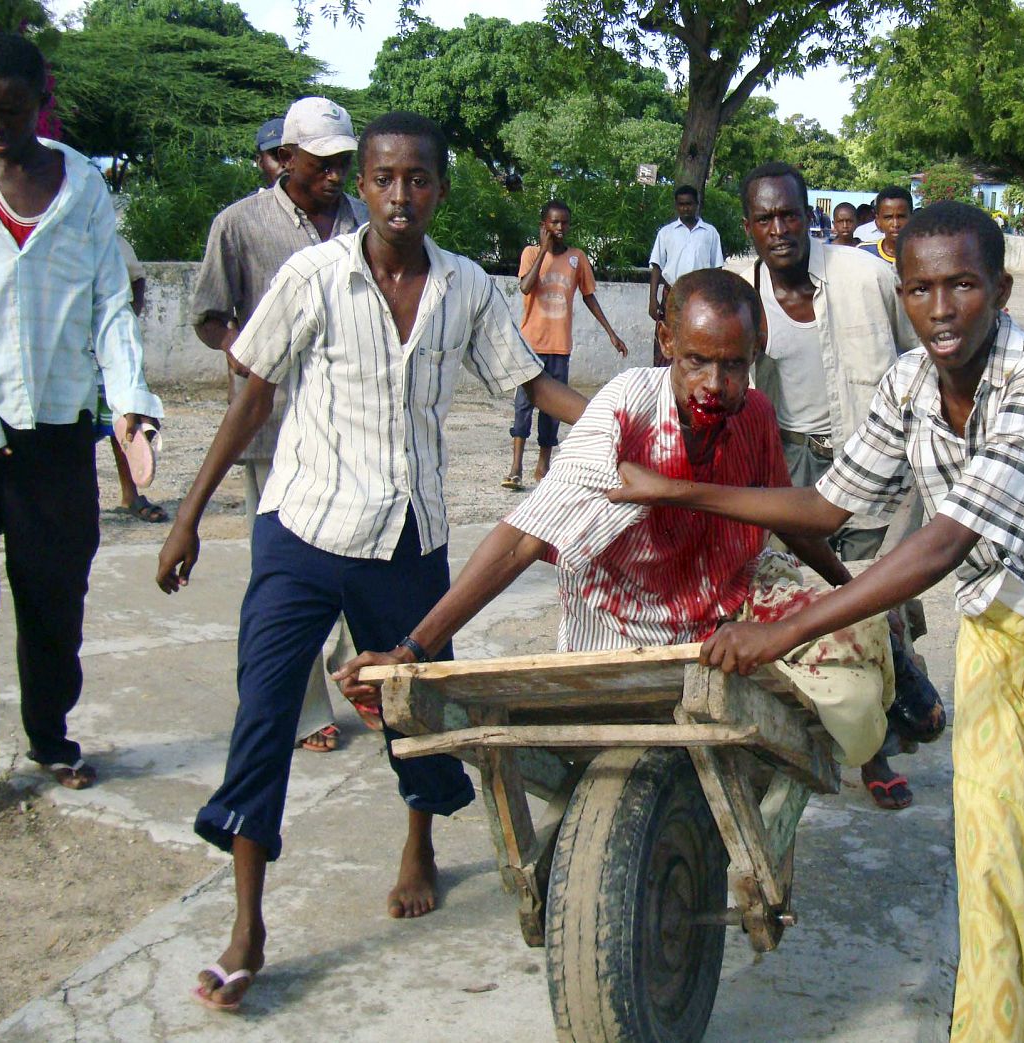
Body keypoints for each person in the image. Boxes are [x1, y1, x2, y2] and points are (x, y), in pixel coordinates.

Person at [610, 201, 1024, 1041]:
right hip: (1000, 634)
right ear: (899, 292)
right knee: (995, 863)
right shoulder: (910, 384)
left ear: (1001, 289)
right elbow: (828, 502)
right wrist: (675, 487)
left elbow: (944, 544)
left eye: (962, 285)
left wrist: (784, 628)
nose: (940, 309)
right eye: (919, 288)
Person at [155, 111, 587, 1013]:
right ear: (366, 182)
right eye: (385, 178)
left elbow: (530, 384)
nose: (401, 196)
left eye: (419, 179)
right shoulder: (312, 275)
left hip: (406, 538)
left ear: (440, 186)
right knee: (265, 711)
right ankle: (248, 924)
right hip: (302, 530)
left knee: (417, 708)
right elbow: (252, 396)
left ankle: (418, 842)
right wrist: (188, 515)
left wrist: (625, 416)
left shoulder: (465, 286)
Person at [336, 268, 893, 771]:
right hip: (626, 630)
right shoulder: (625, 409)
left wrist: (854, 591)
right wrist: (413, 649)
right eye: (696, 361)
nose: (715, 385)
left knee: (864, 647)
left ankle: (859, 740)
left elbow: (791, 516)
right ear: (667, 343)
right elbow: (522, 541)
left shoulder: (756, 413)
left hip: (727, 614)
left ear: (755, 352)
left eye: (734, 365)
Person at [0, 32, 163, 817]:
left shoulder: (82, 185)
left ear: (38, 101)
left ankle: (51, 737)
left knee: (52, 593)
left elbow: (109, 305)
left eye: (10, 111)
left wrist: (130, 401)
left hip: (55, 427)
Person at [735, 161, 943, 811]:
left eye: (790, 214)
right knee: (818, 594)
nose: (779, 229)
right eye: (765, 218)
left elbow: (922, 360)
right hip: (790, 467)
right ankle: (872, 740)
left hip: (874, 460)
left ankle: (886, 723)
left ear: (812, 214)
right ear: (749, 226)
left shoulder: (868, 277)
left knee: (876, 596)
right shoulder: (741, 289)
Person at [191, 96, 369, 755]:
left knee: (359, 562)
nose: (334, 175)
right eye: (321, 163)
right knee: (285, 576)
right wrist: (238, 344)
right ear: (284, 159)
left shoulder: (363, 221)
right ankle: (303, 710)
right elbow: (209, 312)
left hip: (353, 426)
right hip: (271, 428)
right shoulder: (239, 227)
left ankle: (362, 674)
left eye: (343, 162)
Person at [505, 200, 628, 490]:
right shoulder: (531, 253)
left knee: (552, 408)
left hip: (559, 345)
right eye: (554, 223)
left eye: (564, 223)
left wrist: (611, 332)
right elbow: (525, 287)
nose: (560, 228)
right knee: (524, 404)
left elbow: (588, 296)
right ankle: (515, 466)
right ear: (543, 225)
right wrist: (543, 251)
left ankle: (544, 463)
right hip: (531, 344)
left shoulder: (577, 258)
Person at [96, 233, 167, 522]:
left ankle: (131, 495)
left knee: (125, 423)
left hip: (107, 350)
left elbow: (137, 279)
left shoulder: (111, 240)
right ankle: (87, 499)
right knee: (75, 430)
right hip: (71, 353)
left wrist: (129, 320)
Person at [647, 184, 724, 365]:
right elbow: (657, 267)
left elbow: (717, 270)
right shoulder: (666, 233)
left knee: (698, 336)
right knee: (667, 336)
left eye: (689, 204)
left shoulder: (710, 233)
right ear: (676, 206)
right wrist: (652, 299)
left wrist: (715, 300)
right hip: (672, 293)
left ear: (697, 204)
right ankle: (662, 380)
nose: (685, 208)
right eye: (681, 204)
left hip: (701, 295)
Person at [859, 185, 913, 266]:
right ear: (878, 220)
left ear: (912, 218)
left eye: (901, 216)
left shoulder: (923, 253)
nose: (895, 224)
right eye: (888, 217)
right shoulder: (864, 253)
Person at [254, 118, 284, 188]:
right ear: (260, 162)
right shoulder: (255, 199)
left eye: (290, 155)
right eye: (276, 156)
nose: (285, 164)